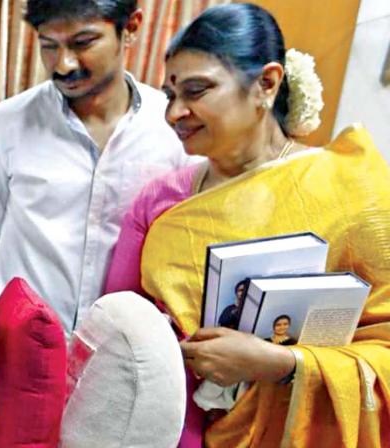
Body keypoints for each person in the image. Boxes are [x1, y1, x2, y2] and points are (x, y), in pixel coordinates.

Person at [105, 3, 390, 446]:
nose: (174, 113)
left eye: (197, 90)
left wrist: (280, 363)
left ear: (266, 84)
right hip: (169, 432)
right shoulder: (161, 200)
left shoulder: (354, 191)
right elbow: (119, 328)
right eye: (170, 96)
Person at [0, 0, 190, 335]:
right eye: (49, 46)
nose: (64, 64)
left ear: (130, 28)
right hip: (22, 346)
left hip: (125, 350)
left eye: (83, 43)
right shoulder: (3, 126)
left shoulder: (171, 129)